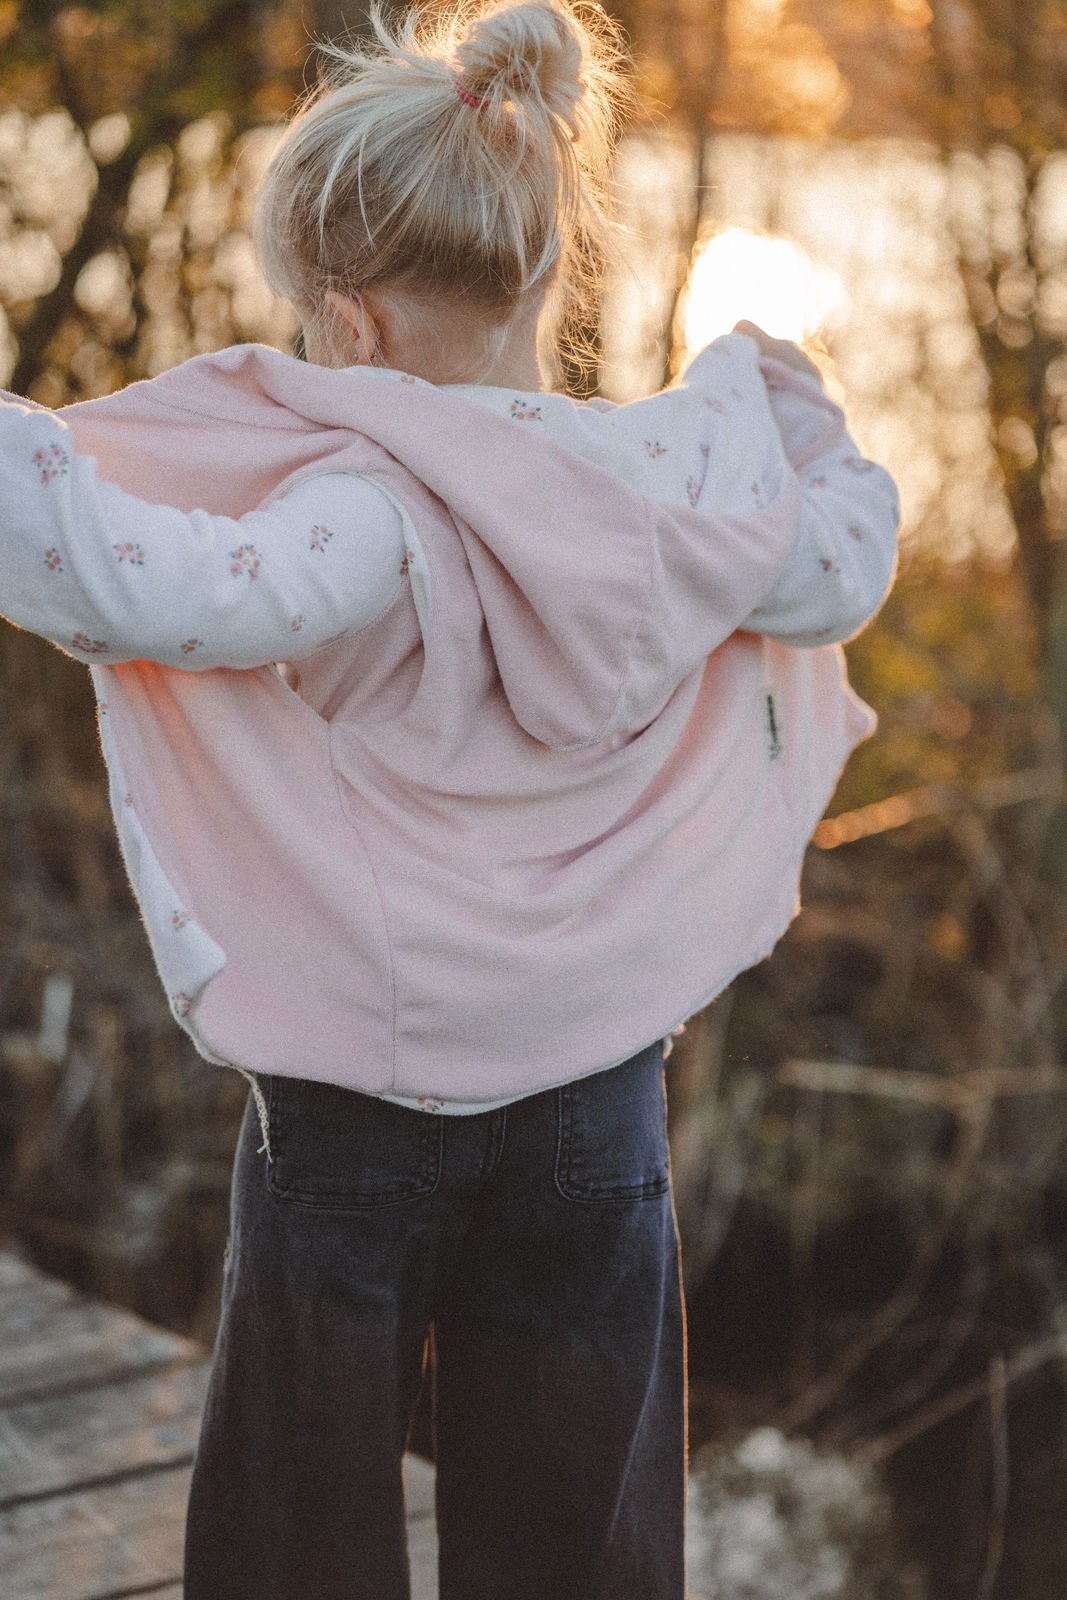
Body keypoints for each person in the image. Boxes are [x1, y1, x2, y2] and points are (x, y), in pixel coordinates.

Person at [0, 2, 899, 1595]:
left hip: (367, 1089)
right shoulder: (656, 495)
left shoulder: (369, 518)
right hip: (594, 1089)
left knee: (300, 1511)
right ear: (548, 270)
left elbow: (151, 587)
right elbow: (838, 562)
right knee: (580, 1517)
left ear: (345, 322)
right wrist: (805, 422)